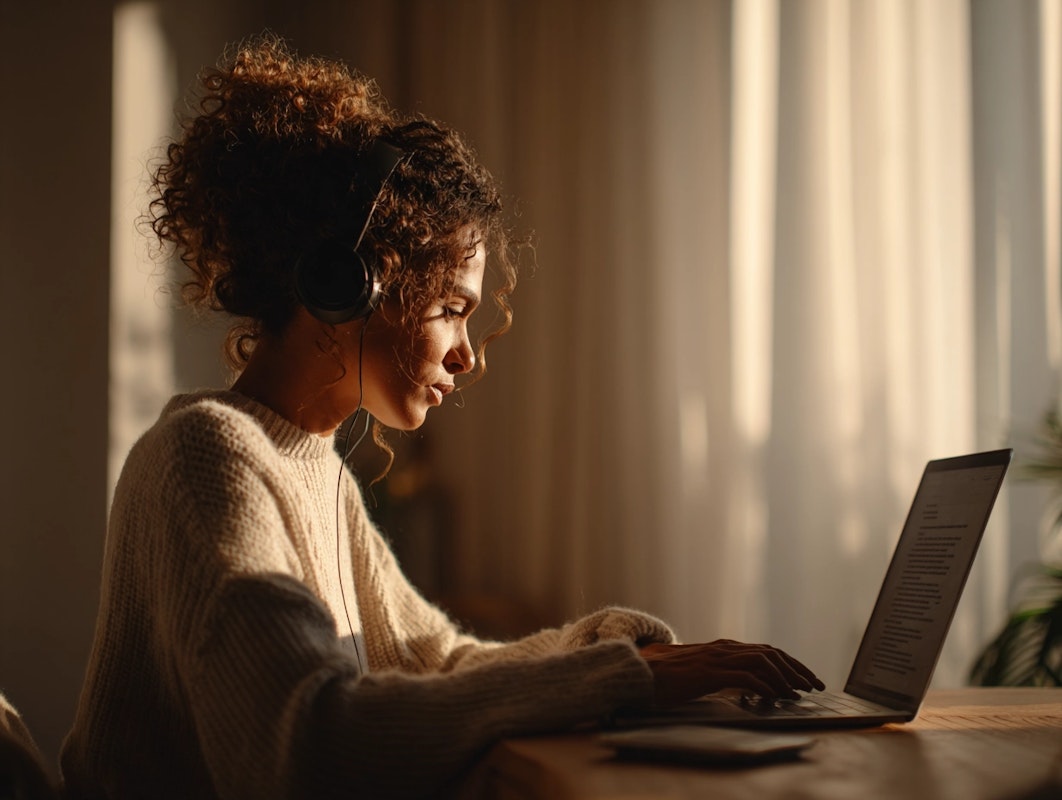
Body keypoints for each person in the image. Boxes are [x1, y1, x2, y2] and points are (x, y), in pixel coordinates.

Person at [60, 34, 822, 800]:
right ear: (349, 287)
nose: (468, 356)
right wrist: (617, 680)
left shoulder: (312, 466)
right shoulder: (207, 457)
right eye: (451, 309)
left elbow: (437, 662)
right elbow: (310, 742)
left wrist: (614, 652)